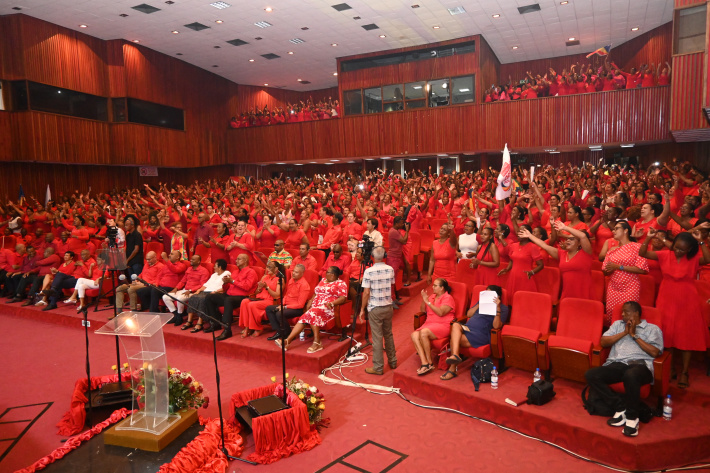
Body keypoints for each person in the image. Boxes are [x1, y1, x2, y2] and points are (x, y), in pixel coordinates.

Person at [639, 229, 710, 388]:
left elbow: (708, 258)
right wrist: (648, 239)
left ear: (689, 250)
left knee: (687, 336)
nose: (678, 251)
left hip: (687, 298)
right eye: (676, 247)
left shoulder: (693, 259)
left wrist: (701, 241)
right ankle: (669, 367)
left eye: (682, 249)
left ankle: (685, 372)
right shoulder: (665, 254)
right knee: (667, 333)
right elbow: (643, 253)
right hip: (667, 296)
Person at [584, 301, 663, 438]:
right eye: (622, 311)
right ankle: (620, 406)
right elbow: (603, 342)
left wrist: (634, 336)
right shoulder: (617, 325)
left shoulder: (652, 329)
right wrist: (625, 332)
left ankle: (632, 418)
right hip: (617, 364)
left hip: (640, 365)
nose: (622, 314)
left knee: (630, 375)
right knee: (591, 374)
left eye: (626, 311)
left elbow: (655, 352)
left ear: (636, 313)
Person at [440, 285, 509, 380]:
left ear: (498, 297)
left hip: (482, 334)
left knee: (455, 339)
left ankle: (452, 368)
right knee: (455, 325)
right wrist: (479, 304)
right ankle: (455, 356)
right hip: (469, 328)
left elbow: (497, 326)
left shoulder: (503, 308)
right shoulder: (481, 303)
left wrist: (497, 308)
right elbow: (469, 314)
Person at [276, 266, 348, 353]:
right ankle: (288, 341)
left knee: (311, 313)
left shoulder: (341, 283)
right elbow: (315, 292)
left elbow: (343, 298)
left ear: (333, 275)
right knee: (306, 316)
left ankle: (316, 341)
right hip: (315, 308)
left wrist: (332, 303)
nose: (325, 273)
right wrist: (310, 300)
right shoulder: (323, 280)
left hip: (328, 308)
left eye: (327, 272)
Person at [520, 221, 594, 300]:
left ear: (579, 243)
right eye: (567, 239)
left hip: (584, 293)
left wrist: (565, 228)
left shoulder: (586, 253)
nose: (568, 241)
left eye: (572, 239)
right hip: (567, 293)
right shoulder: (562, 254)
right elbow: (544, 245)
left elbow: (583, 236)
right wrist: (530, 236)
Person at [601, 221, 649, 325]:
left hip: (630, 287)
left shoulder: (636, 247)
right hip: (613, 287)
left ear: (626, 230)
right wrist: (609, 270)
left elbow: (642, 269)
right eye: (613, 229)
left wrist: (619, 267)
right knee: (611, 314)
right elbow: (605, 271)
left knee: (628, 315)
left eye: (617, 228)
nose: (613, 231)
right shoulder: (612, 250)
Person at [359, 247, 396, 375]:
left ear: (373, 257)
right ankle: (393, 361)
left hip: (375, 307)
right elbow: (391, 285)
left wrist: (362, 309)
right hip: (388, 306)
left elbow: (366, 293)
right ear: (384, 255)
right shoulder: (390, 269)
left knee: (377, 338)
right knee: (388, 334)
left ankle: (378, 367)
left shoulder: (369, 271)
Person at [205, 253, 258, 340]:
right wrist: (225, 283)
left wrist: (232, 281)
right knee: (209, 297)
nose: (236, 261)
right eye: (236, 259)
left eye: (239, 259)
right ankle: (216, 323)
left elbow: (247, 287)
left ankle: (227, 329)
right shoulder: (235, 272)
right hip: (229, 295)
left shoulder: (251, 272)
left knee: (228, 300)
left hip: (242, 297)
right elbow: (227, 288)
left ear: (245, 261)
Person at [411, 278, 455, 376]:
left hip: (443, 325)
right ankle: (424, 362)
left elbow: (440, 312)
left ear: (442, 288)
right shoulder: (432, 296)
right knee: (414, 335)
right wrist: (424, 300)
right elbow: (423, 310)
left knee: (424, 332)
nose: (433, 287)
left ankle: (430, 362)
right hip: (430, 323)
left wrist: (429, 302)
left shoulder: (448, 298)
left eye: (435, 285)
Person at [238, 260, 283, 338]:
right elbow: (256, 293)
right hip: (259, 299)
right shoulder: (264, 277)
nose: (267, 269)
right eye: (267, 267)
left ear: (276, 269)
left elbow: (277, 295)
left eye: (270, 267)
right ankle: (247, 327)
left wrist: (267, 287)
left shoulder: (279, 279)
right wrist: (259, 288)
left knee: (251, 305)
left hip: (271, 301)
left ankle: (257, 328)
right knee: (244, 301)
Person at [265, 264, 310, 340]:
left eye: (296, 272)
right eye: (293, 271)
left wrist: (284, 307)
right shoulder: (291, 280)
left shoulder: (304, 285)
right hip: (286, 305)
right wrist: (281, 305)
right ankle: (279, 331)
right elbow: (286, 295)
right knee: (269, 309)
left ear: (302, 274)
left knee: (279, 313)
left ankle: (288, 334)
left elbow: (300, 305)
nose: (293, 273)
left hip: (296, 309)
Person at [185, 259, 231, 333]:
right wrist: (199, 290)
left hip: (216, 293)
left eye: (215, 266)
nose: (213, 267)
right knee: (193, 297)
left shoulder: (227, 274)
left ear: (220, 267)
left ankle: (200, 323)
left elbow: (225, 287)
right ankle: (189, 321)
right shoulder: (214, 275)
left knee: (202, 299)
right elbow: (206, 285)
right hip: (206, 291)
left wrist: (216, 291)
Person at [164, 254, 211, 326]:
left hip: (194, 292)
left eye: (193, 259)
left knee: (180, 298)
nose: (191, 260)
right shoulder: (189, 269)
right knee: (165, 297)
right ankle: (176, 314)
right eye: (191, 259)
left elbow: (202, 285)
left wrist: (191, 290)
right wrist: (176, 288)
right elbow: (183, 281)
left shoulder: (204, 271)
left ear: (198, 261)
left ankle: (179, 316)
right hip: (184, 290)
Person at [499, 224, 544, 296]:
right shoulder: (514, 245)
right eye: (518, 231)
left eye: (521, 232)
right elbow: (512, 259)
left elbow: (541, 265)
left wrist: (531, 272)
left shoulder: (533, 247)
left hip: (525, 277)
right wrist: (507, 269)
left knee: (523, 300)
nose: (518, 233)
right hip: (513, 276)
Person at [114, 251, 163, 316]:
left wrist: (143, 282)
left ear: (155, 257)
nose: (147, 261)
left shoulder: (160, 266)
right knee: (119, 288)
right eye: (146, 259)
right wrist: (137, 280)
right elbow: (141, 274)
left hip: (147, 285)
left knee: (131, 289)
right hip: (139, 283)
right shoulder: (146, 265)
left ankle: (134, 310)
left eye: (149, 259)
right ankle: (119, 311)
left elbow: (158, 280)